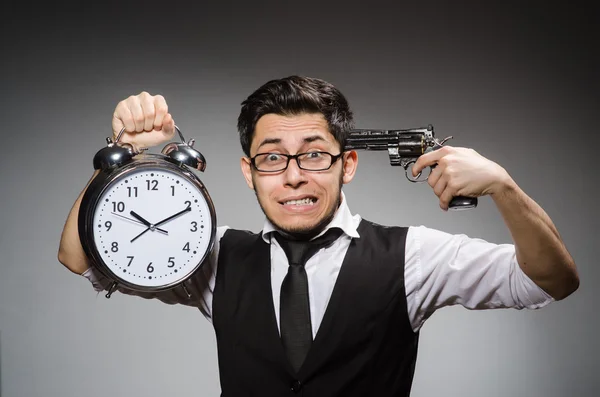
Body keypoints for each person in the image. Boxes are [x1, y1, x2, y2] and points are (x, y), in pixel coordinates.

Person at [58, 75, 579, 396]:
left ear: (346, 164)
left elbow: (553, 280)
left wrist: (504, 187)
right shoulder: (208, 257)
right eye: (271, 158)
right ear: (248, 171)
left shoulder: (413, 256)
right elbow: (79, 257)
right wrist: (126, 156)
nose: (292, 176)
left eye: (313, 153)